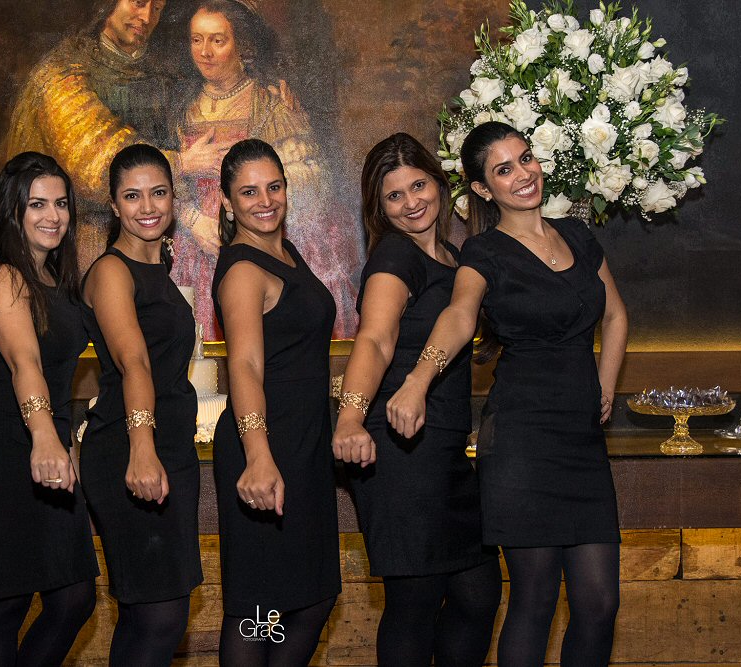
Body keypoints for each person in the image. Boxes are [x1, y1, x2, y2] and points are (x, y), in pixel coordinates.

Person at [388, 122, 628, 665]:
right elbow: (458, 316)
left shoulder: (578, 235)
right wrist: (418, 380)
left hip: (581, 440)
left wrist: (606, 383)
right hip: (522, 441)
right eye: (503, 169)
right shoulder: (484, 252)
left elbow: (615, 315)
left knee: (599, 603)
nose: (523, 174)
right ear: (482, 188)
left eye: (525, 158)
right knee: (535, 598)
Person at [332, 133, 501, 665]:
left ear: (440, 184)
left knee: (477, 593)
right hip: (399, 447)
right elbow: (375, 341)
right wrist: (350, 419)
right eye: (394, 195)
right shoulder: (394, 256)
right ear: (378, 208)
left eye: (419, 185)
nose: (411, 203)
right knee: (415, 601)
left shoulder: (452, 255)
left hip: (442, 447)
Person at [0, 152, 99, 666]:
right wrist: (46, 437)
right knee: (3, 607)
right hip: (6, 450)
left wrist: (66, 438)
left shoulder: (55, 280)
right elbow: (24, 362)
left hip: (47, 445)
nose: (53, 215)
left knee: (74, 597)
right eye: (37, 204)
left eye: (61, 203)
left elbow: (58, 375)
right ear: (12, 210)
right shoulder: (0, 277)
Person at [211, 138, 341, 666]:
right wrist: (259, 455)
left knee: (309, 598)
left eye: (274, 187)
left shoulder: (284, 253)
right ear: (227, 203)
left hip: (304, 445)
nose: (265, 201)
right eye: (248, 192)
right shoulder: (243, 269)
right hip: (266, 444)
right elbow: (243, 365)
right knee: (261, 605)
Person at [170, 0, 361, 340]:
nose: (205, 52)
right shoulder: (182, 107)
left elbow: (309, 174)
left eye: (217, 40)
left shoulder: (271, 104)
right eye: (196, 40)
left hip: (257, 237)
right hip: (197, 241)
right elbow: (165, 182)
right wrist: (193, 220)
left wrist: (252, 211)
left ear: (241, 45)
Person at [79, 144, 203, 665]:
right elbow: (134, 364)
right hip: (130, 447)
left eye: (158, 193)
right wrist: (143, 448)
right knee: (160, 616)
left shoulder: (159, 270)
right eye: (132, 196)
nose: (147, 206)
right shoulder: (112, 271)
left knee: (149, 616)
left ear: (174, 198)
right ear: (113, 205)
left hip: (169, 448)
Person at [5, 0, 231, 269]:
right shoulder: (61, 72)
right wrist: (180, 162)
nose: (146, 17)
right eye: (138, 3)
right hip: (80, 238)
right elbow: (94, 157)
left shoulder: (163, 74)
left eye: (157, 9)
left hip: (154, 232)